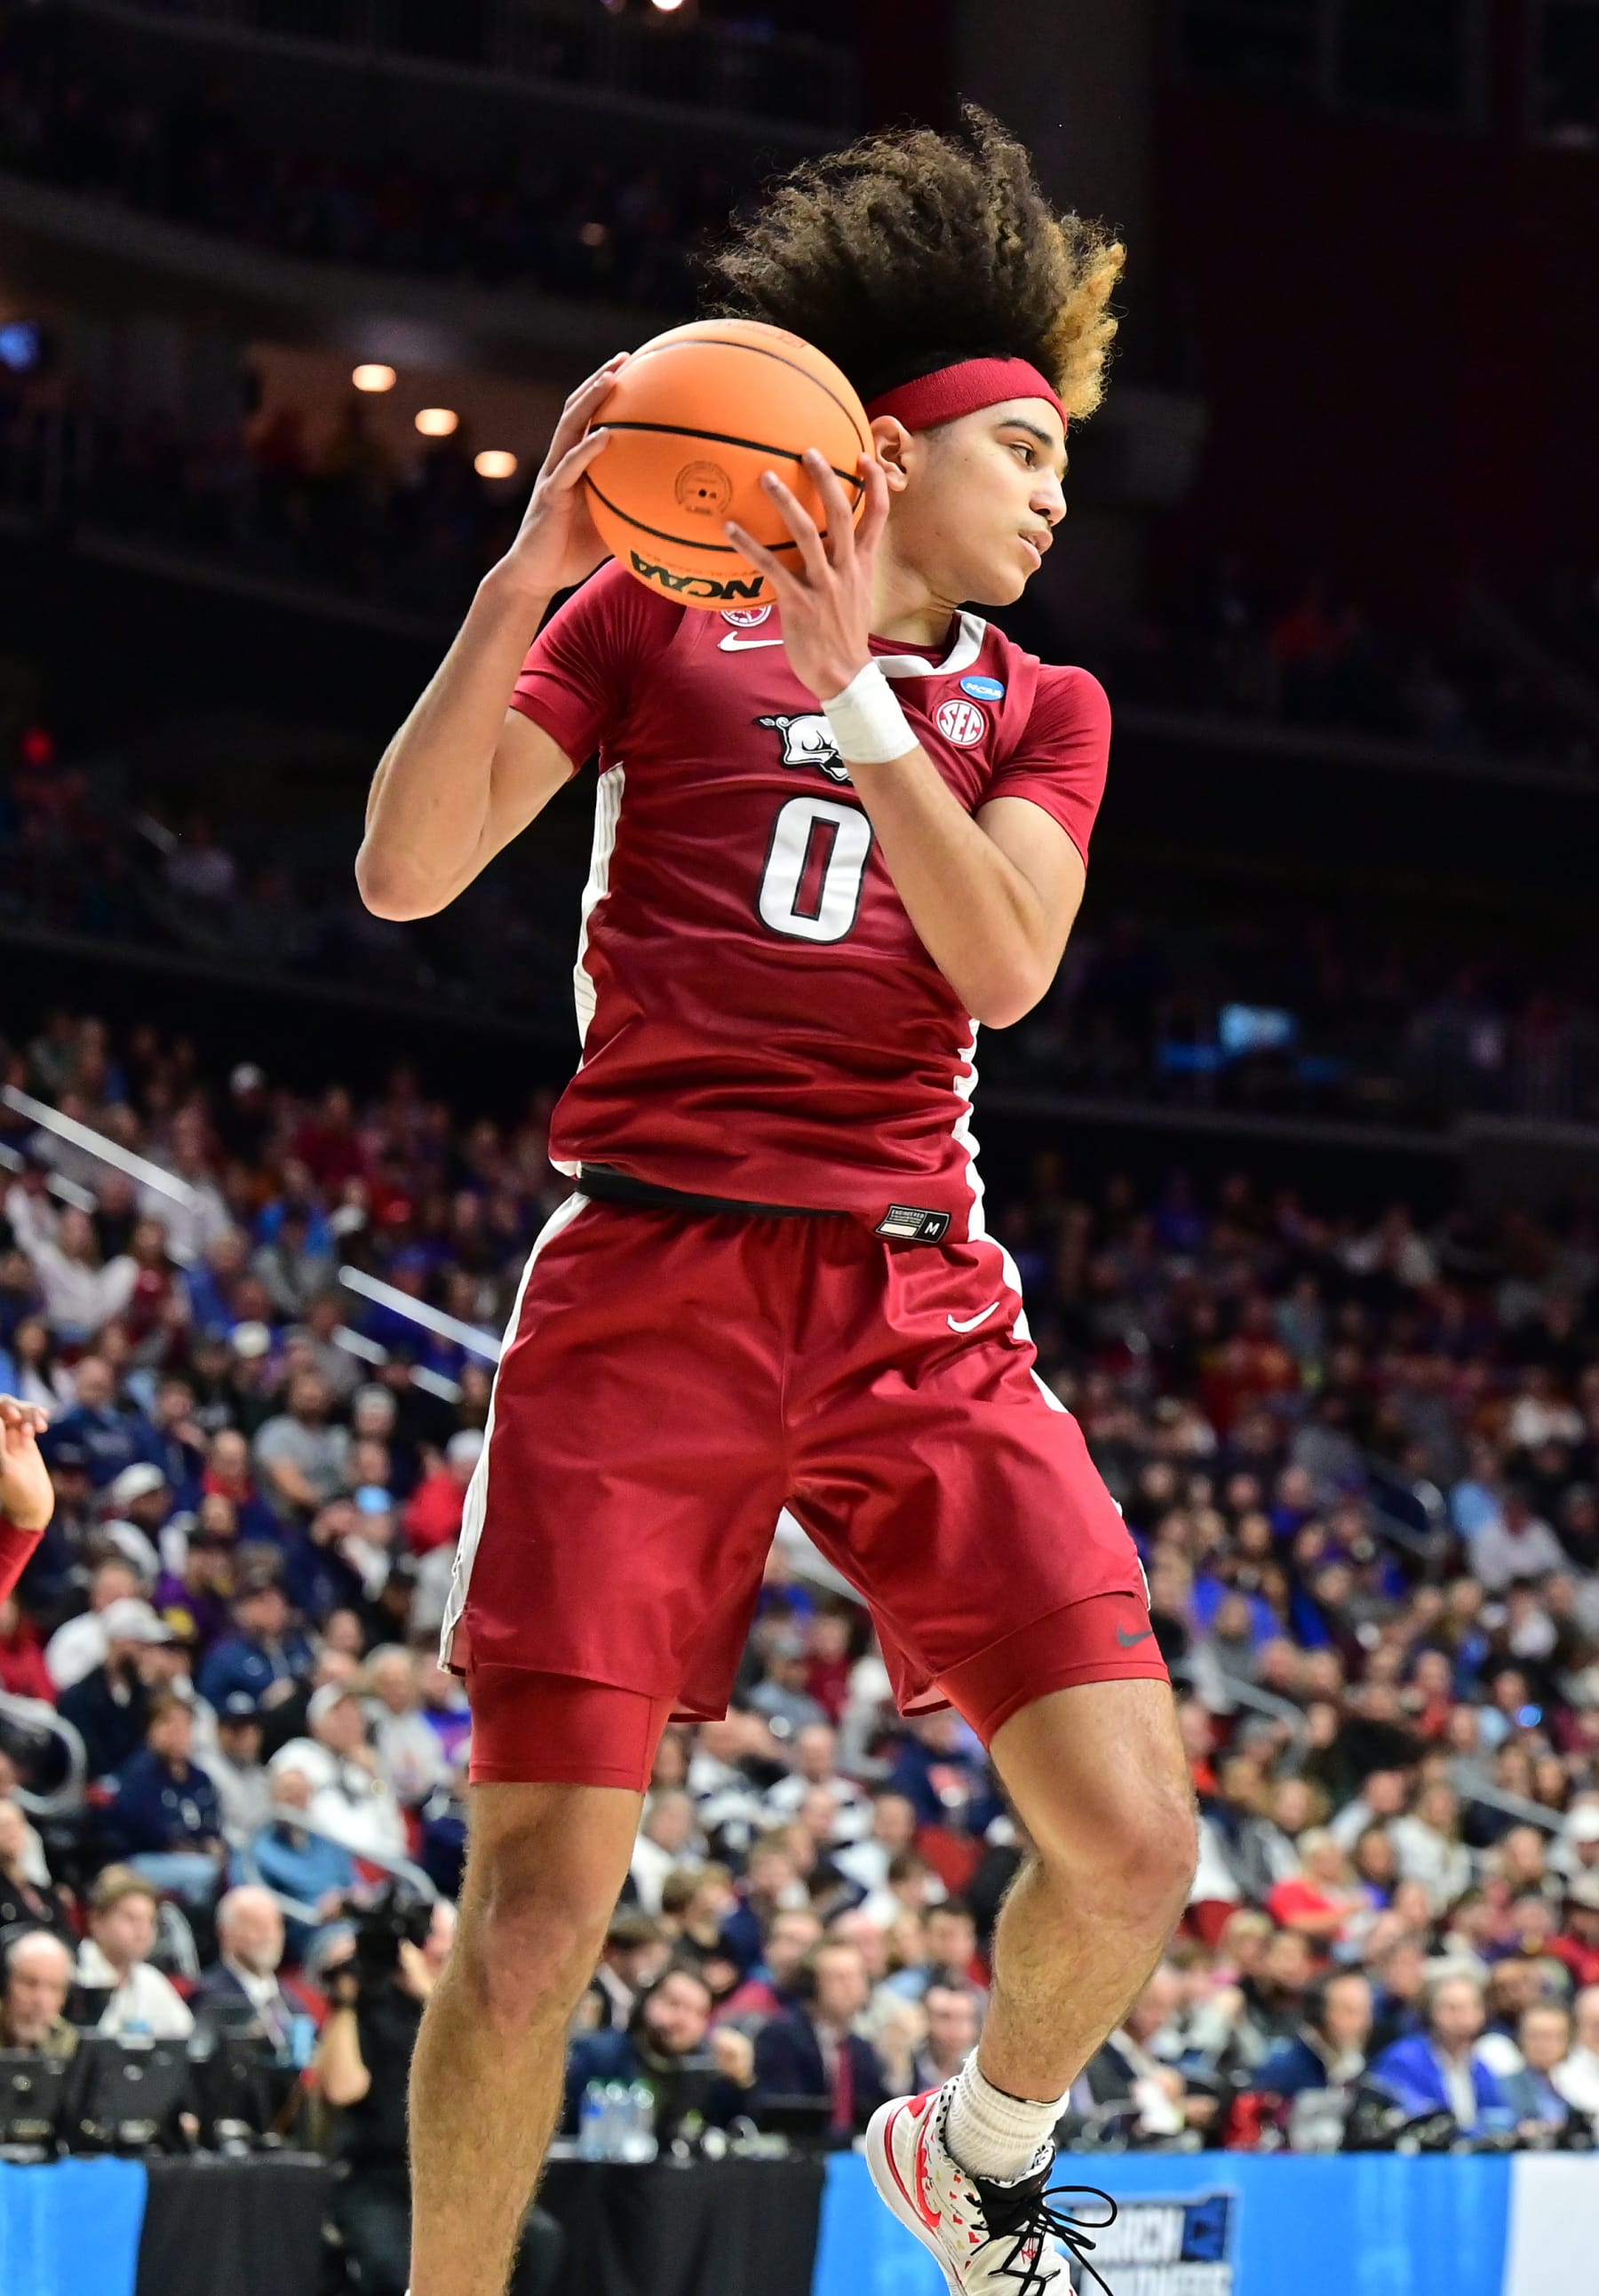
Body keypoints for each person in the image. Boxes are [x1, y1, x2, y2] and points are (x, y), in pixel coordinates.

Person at [362, 109, 1194, 2296]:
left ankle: (978, 2152)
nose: (1050, 496)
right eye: (1024, 452)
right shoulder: (651, 621)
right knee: (536, 1912)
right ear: (887, 454)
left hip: (916, 1284)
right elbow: (405, 868)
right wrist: (522, 574)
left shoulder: (1048, 707)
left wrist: (857, 693)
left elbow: (1004, 961)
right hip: (649, 1275)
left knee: (1133, 1839)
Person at [751, 1937, 889, 2139]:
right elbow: (788, 2114)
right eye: (840, 1978)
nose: (852, 1987)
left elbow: (879, 2113)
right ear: (812, 1984)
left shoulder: (862, 2049)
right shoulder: (781, 2037)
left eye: (858, 1976)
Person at [109, 1691, 227, 1911]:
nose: (178, 1733)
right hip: (144, 1860)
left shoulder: (201, 1779)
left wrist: (211, 1845)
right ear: (153, 1728)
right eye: (169, 1724)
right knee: (205, 1874)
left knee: (219, 1869)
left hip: (197, 1859)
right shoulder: (139, 1774)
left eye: (185, 1726)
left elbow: (212, 1825)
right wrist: (185, 1846)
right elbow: (143, 1828)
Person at [1367, 1972, 1508, 2133]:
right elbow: (1418, 2119)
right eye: (1452, 2008)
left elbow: (1498, 2119)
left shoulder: (1481, 2067)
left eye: (1471, 2007)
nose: (1463, 2018)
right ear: (1431, 2013)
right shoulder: (1405, 2060)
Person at [72, 1865, 195, 2039]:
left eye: (150, 1921)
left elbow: (185, 2034)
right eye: (131, 1919)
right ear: (96, 1922)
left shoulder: (150, 1979)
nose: (143, 1932)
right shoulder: (73, 1972)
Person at [193, 1884, 313, 2053]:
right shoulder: (210, 1997)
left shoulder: (293, 2002)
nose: (269, 1935)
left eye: (275, 1925)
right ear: (226, 1934)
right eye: (256, 1926)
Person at [1253, 1970, 1373, 2101]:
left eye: (1366, 2011)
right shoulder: (1282, 2071)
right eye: (1349, 2012)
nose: (1363, 2023)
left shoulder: (1355, 2063)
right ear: (1319, 2015)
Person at [0, 1929, 79, 2057]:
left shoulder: (69, 2042)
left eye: (54, 1988)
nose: (40, 2000)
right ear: (6, 1983)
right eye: (30, 1983)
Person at [1500, 2002, 1578, 2133]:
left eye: (1550, 2037)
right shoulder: (1504, 2086)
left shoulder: (1581, 2085)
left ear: (1568, 2041)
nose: (1542, 2045)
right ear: (1521, 2039)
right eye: (1534, 2036)